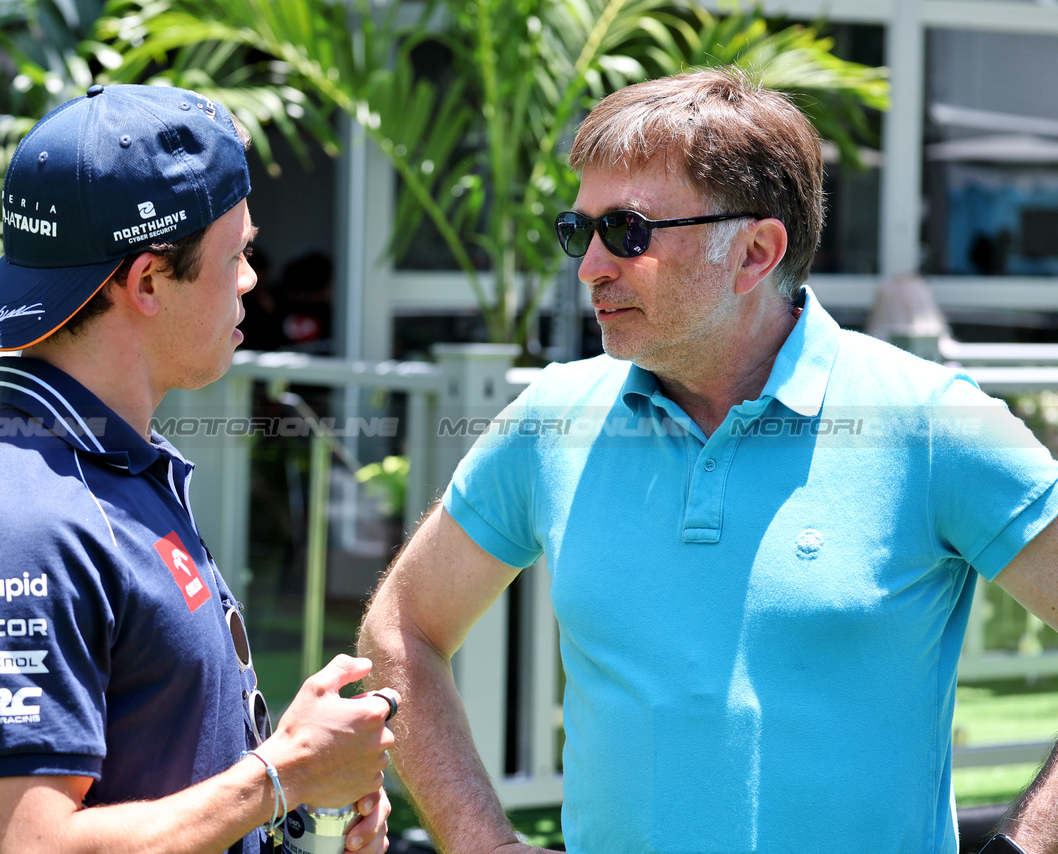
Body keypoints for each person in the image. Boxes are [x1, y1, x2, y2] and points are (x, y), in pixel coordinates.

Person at [358, 68, 1058, 854]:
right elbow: (402, 626)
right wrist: (482, 843)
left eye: (627, 231)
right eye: (577, 230)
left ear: (756, 251)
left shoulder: (932, 422)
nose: (589, 266)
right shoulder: (553, 419)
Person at [0, 84, 395, 854]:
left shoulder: (106, 471)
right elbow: (25, 847)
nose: (249, 280)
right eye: (235, 255)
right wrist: (283, 775)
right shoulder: (23, 522)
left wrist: (300, 803)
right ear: (145, 282)